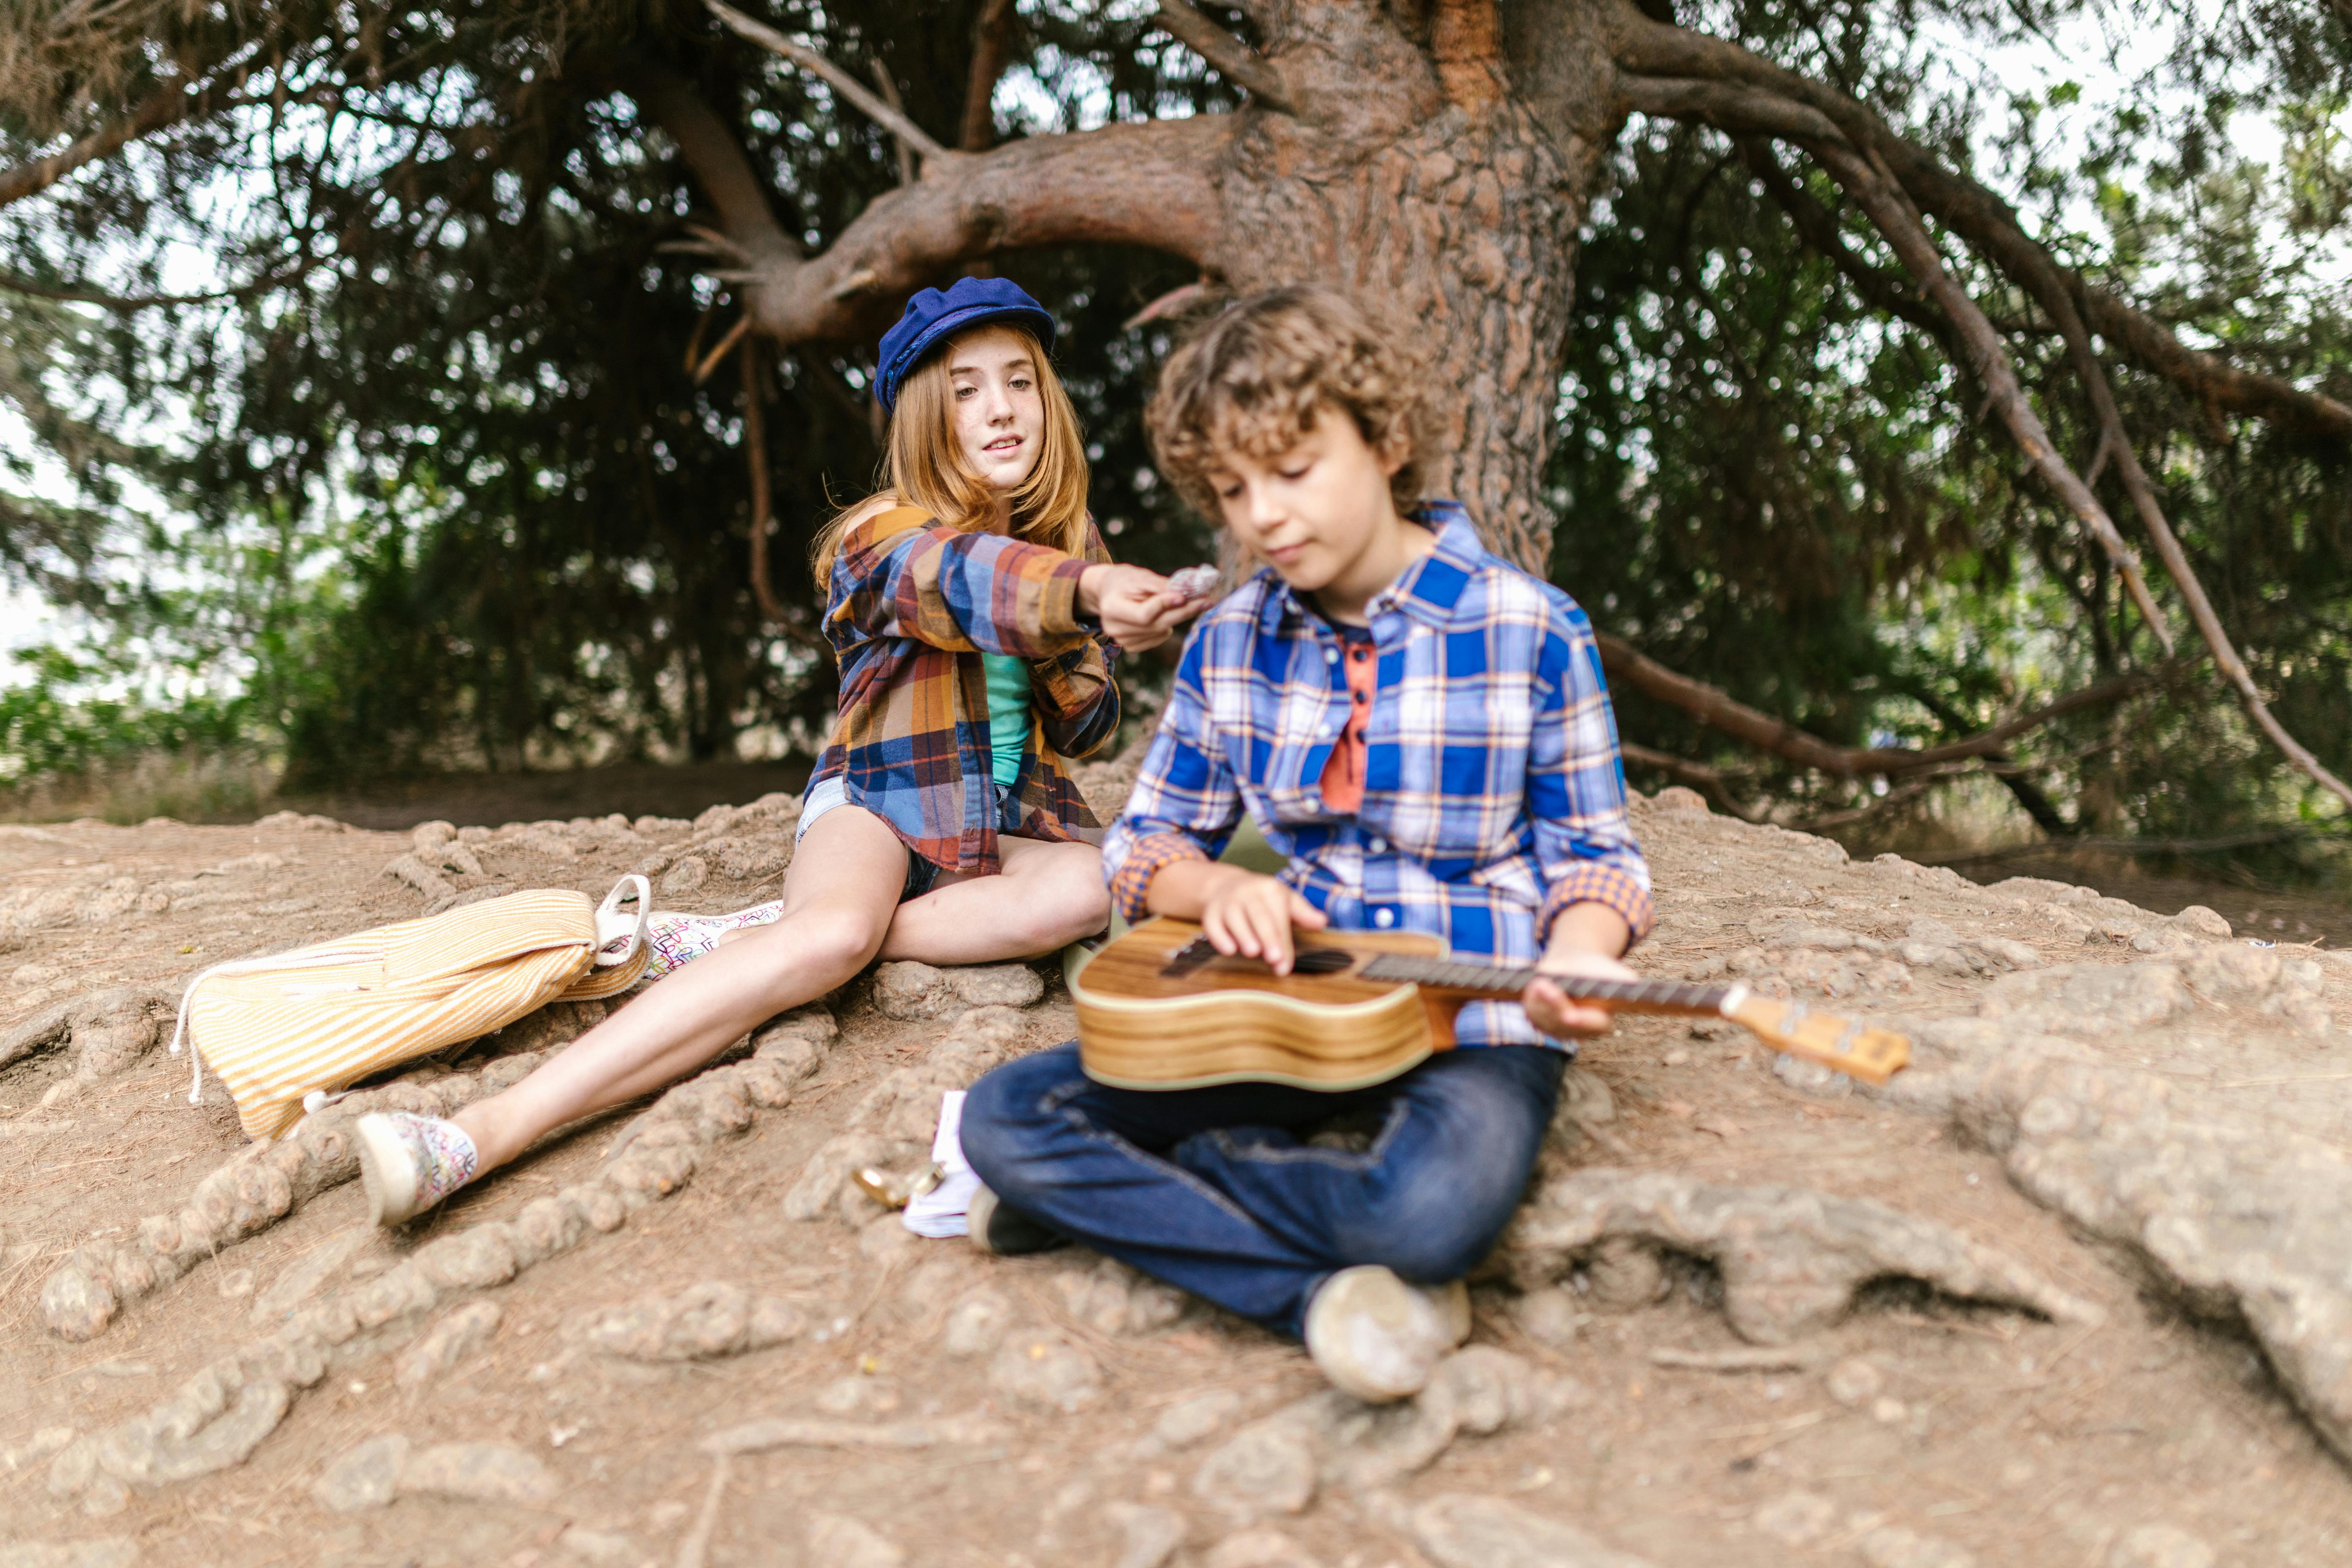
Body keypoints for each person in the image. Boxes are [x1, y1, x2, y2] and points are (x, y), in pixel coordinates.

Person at [352, 277, 1199, 1226]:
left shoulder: (1068, 539)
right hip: (879, 800)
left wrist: (1115, 638)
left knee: (1093, 887)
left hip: (998, 820)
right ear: (927, 415)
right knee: (834, 935)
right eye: (965, 389)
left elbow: (1086, 727)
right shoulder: (882, 533)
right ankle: (478, 1136)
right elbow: (959, 580)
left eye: (1019, 381)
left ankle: (749, 939)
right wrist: (1081, 593)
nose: (1001, 408)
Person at [957, 284, 1654, 1404]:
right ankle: (1314, 1299)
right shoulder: (1233, 639)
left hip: (1468, 1011)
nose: (1262, 518)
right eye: (1232, 491)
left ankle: (1134, 1196)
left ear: (1382, 441)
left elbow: (1596, 858)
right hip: (1278, 1001)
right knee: (1005, 1116)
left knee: (1427, 1218)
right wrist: (1206, 888)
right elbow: (1145, 841)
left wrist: (1579, 946)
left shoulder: (1529, 627)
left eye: (1291, 471)